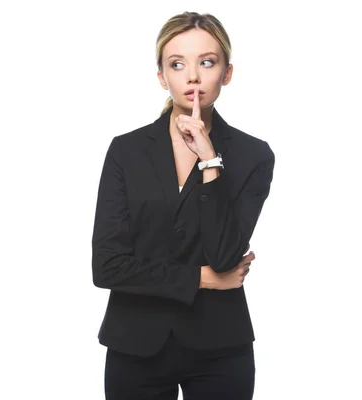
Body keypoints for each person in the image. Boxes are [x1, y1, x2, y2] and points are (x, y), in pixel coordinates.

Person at [91, 11, 275, 400]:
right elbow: (107, 266)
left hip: (220, 348)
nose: (192, 76)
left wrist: (210, 161)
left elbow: (226, 256)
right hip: (135, 344)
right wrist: (201, 279)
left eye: (206, 62)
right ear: (162, 77)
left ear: (226, 73)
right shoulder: (126, 150)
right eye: (178, 64)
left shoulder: (252, 155)